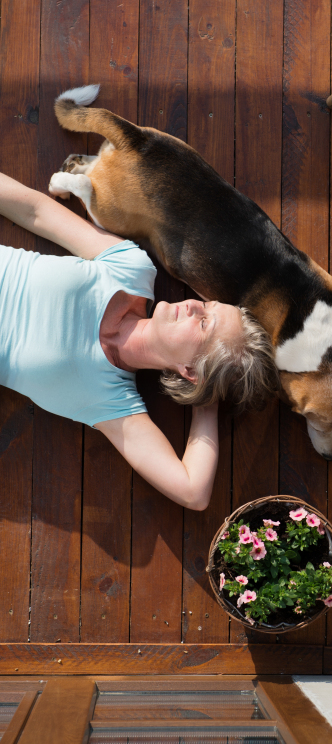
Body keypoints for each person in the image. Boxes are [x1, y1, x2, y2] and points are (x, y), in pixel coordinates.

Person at [0, 172, 278, 510]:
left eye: (204, 324)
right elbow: (35, 211)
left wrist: (208, 399)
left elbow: (193, 492)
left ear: (190, 369)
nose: (192, 305)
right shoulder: (132, 267)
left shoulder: (111, 402)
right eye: (206, 305)